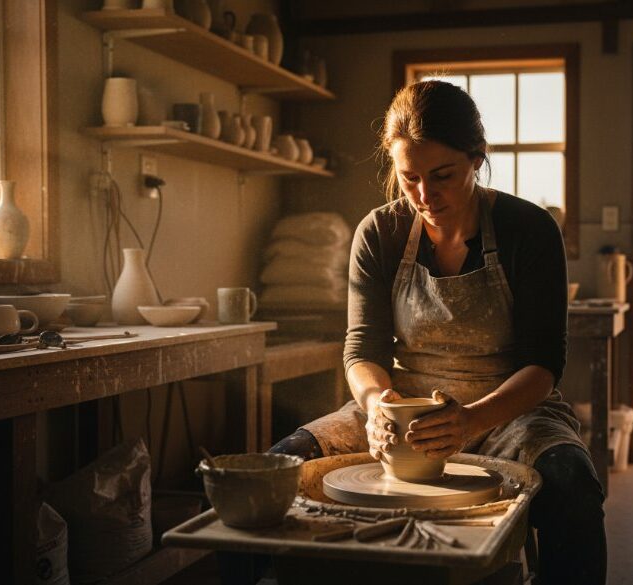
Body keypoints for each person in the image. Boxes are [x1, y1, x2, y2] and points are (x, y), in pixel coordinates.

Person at [229, 80, 606, 585]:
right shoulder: (380, 232)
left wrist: (471, 420)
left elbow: (544, 365)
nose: (425, 195)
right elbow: (361, 349)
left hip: (510, 411)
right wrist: (376, 407)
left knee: (573, 488)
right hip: (400, 407)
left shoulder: (529, 228)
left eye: (442, 175)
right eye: (409, 178)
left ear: (477, 158)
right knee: (269, 476)